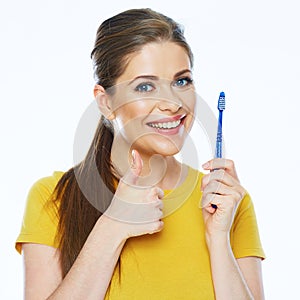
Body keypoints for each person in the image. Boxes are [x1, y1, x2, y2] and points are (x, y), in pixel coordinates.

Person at [16, 8, 265, 299]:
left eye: (181, 81)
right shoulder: (53, 198)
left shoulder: (227, 201)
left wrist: (219, 239)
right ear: (106, 102)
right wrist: (112, 226)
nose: (172, 104)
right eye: (145, 86)